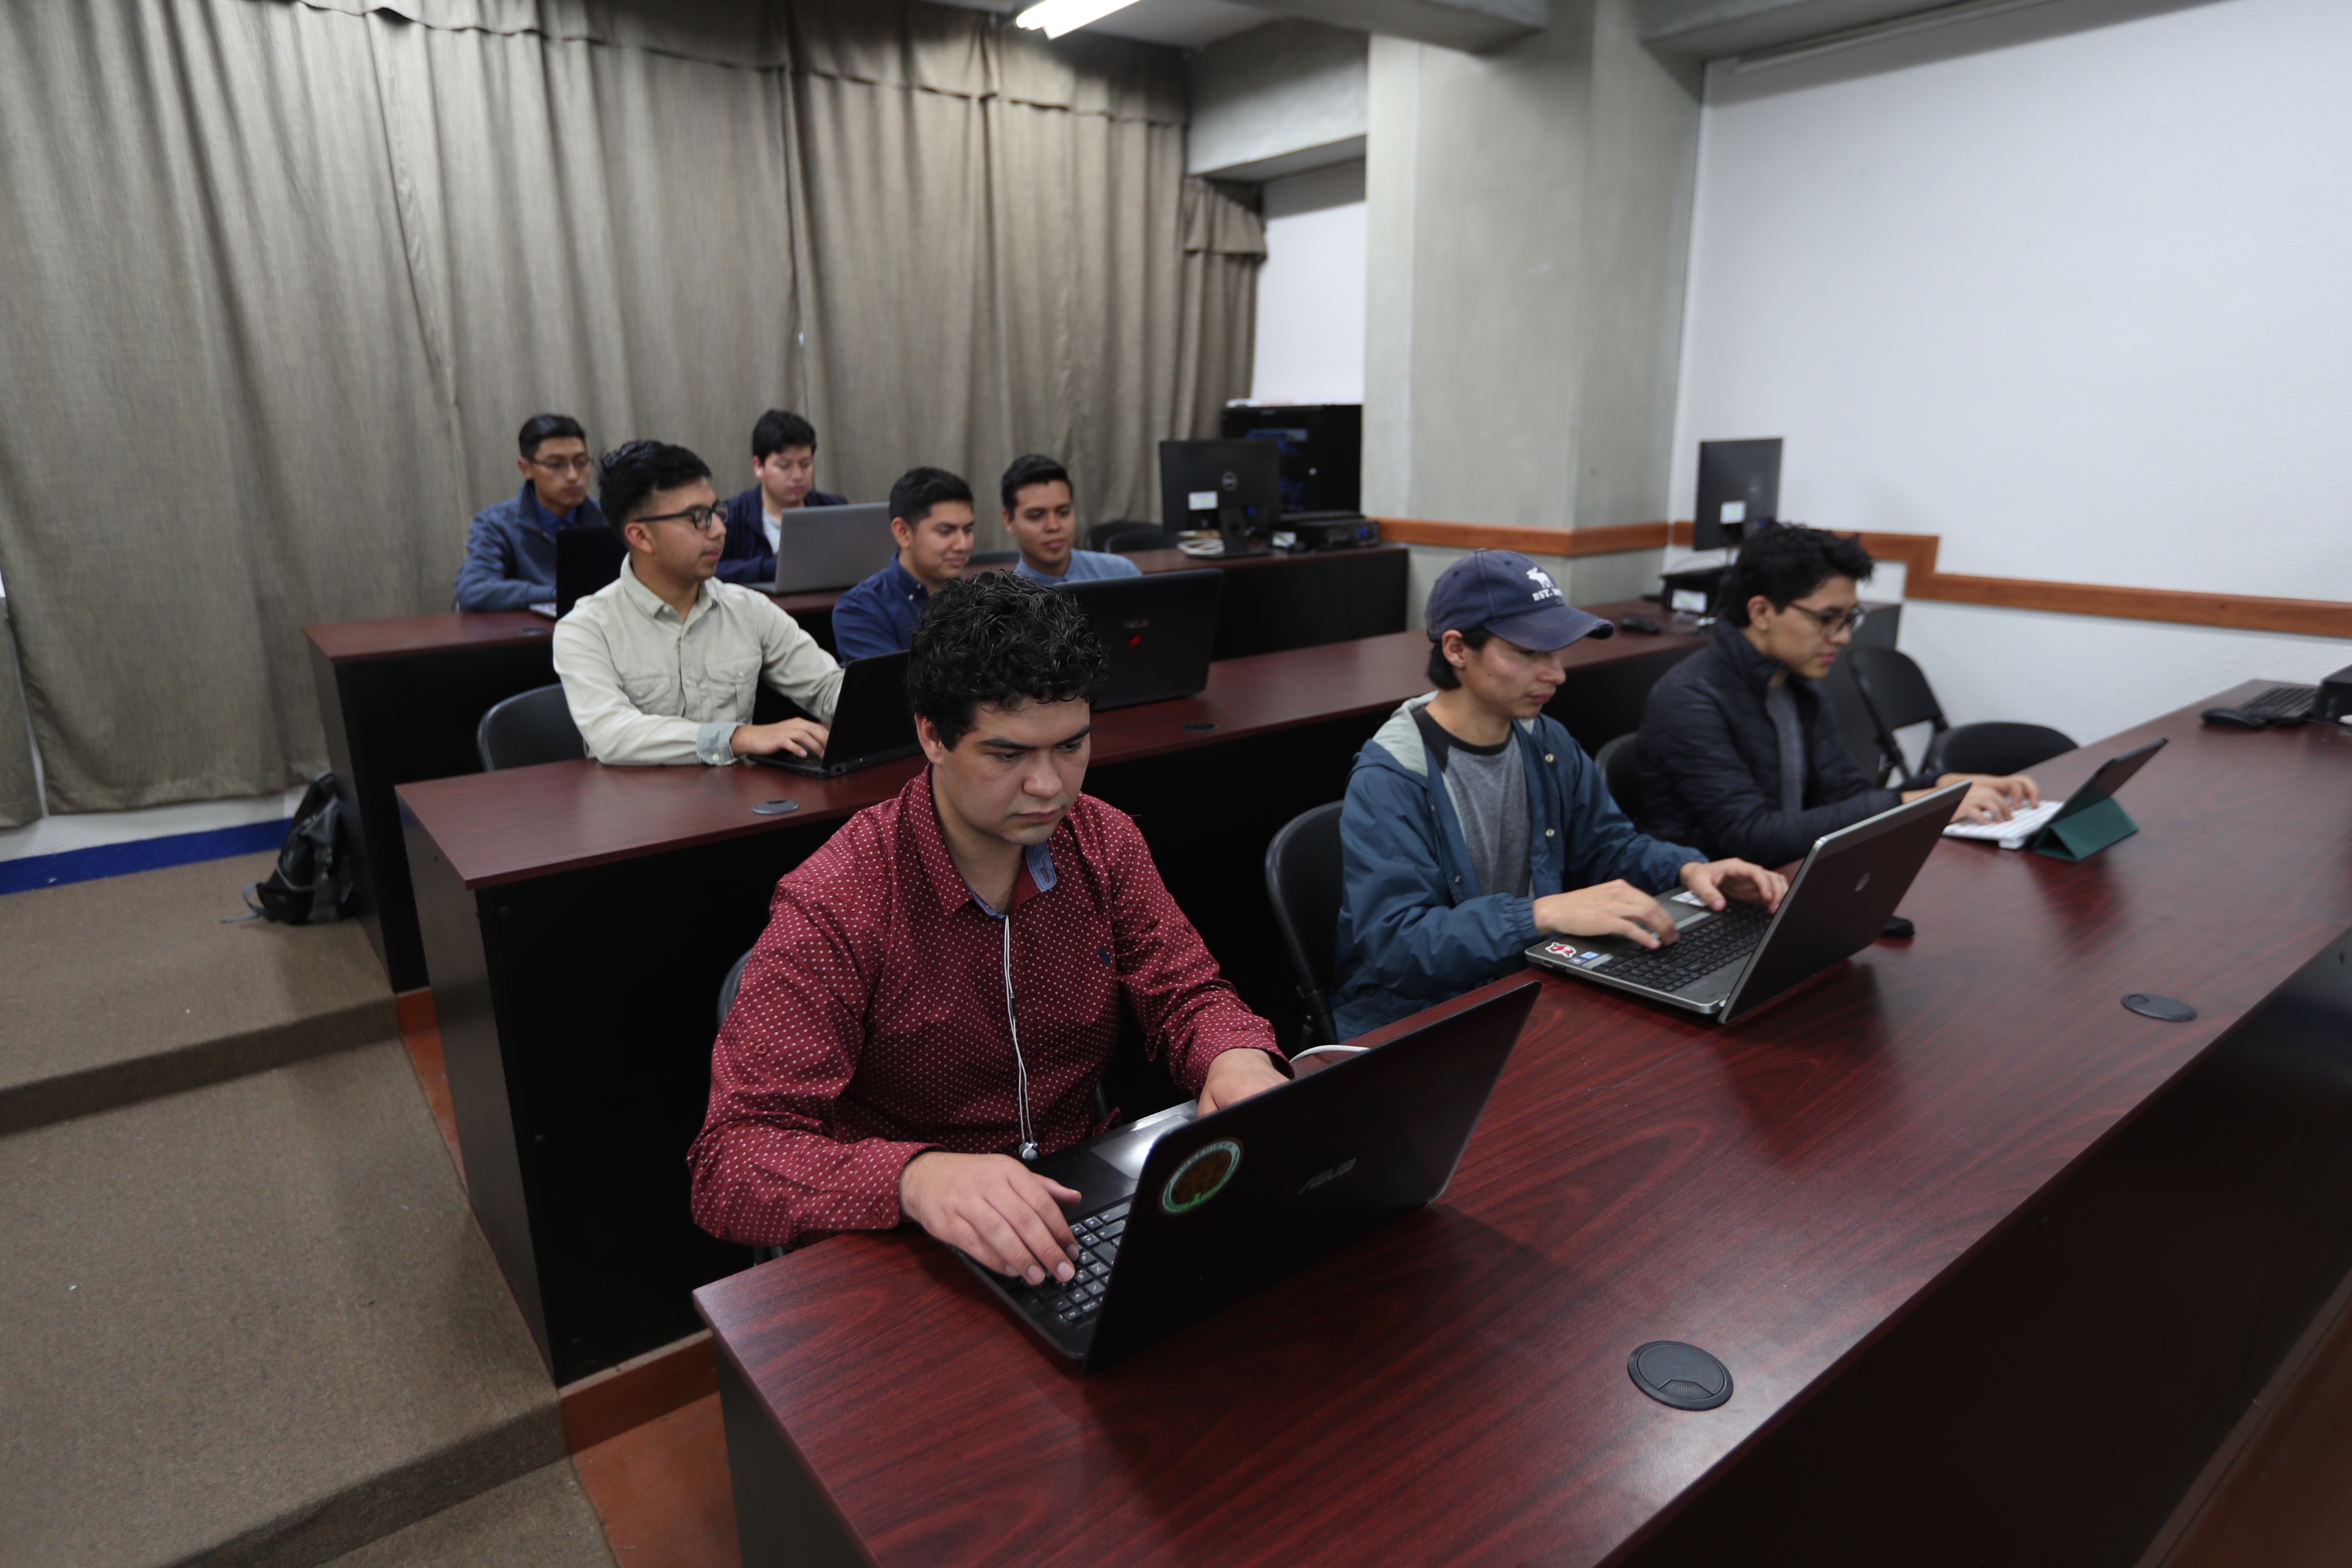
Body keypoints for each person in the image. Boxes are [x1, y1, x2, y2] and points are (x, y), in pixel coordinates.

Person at [688, 573, 1289, 1281]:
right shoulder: (840, 898)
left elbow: (1187, 995)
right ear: (932, 737)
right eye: (1008, 756)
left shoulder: (1104, 841)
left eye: (1071, 747)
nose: (1050, 786)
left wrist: (1237, 1058)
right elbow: (732, 1162)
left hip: (1071, 1208)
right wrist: (915, 1179)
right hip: (908, 1246)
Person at [1330, 550, 1787, 1041]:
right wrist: (1542, 914)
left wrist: (1690, 871)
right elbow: (1400, 947)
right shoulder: (1393, 776)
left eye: (1557, 651)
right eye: (1529, 653)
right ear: (1457, 649)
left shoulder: (1544, 740)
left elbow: (1608, 848)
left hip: (1525, 987)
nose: (1557, 673)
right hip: (1421, 1019)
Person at [1635, 525, 2041, 870]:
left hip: (1788, 879)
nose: (1844, 636)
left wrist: (1943, 786)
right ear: (1761, 613)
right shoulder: (1689, 700)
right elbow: (1752, 837)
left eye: (1849, 618)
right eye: (1827, 619)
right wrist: (1912, 802)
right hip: (1708, 904)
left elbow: (1849, 798)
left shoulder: (1799, 687)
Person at [552, 440, 842, 766]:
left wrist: (886, 705)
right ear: (641, 536)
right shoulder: (586, 628)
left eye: (716, 512)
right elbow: (613, 734)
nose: (719, 530)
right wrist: (739, 737)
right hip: (638, 811)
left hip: (744, 806)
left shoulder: (749, 609)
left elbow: (826, 686)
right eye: (697, 517)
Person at [453, 414, 608, 611]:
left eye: (581, 462)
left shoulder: (611, 516)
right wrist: (553, 594)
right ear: (527, 468)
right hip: (532, 636)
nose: (573, 476)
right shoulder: (496, 523)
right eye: (555, 464)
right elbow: (473, 590)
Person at [830, 467, 979, 661]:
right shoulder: (860, 610)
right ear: (903, 533)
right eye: (946, 531)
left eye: (967, 530)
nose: (963, 545)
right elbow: (894, 688)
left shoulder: (982, 601)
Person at [717, 409, 850, 588]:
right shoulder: (730, 516)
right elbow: (711, 570)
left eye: (806, 464)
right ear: (758, 467)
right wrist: (767, 568)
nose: (797, 476)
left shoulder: (835, 509)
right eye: (784, 466)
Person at [1000, 453, 1141, 585]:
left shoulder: (1119, 573)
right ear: (1009, 521)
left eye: (1063, 513)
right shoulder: (1008, 603)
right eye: (1036, 516)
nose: (1054, 526)